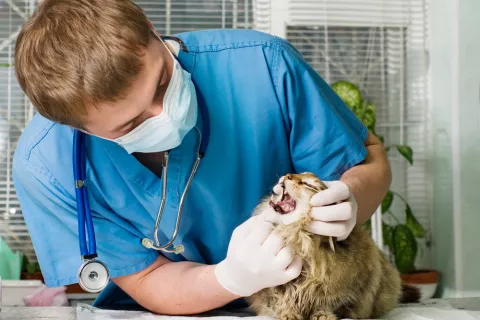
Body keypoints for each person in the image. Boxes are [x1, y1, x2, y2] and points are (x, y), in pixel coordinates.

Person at [12, 0, 392, 315]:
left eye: (162, 82)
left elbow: (368, 161)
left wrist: (352, 197)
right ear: (80, 129)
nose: (165, 113)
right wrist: (230, 279)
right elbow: (145, 278)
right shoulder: (48, 165)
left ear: (150, 27)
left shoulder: (262, 65)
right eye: (132, 123)